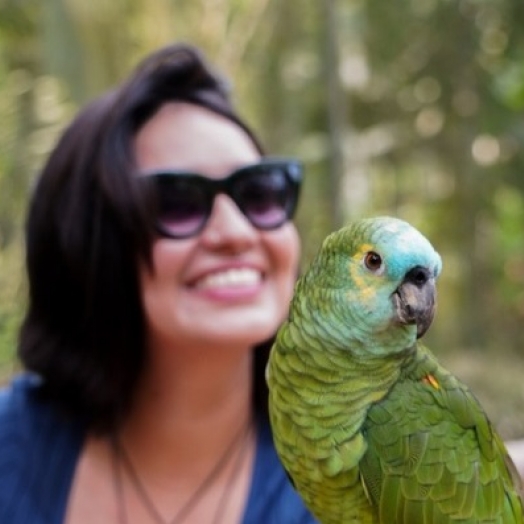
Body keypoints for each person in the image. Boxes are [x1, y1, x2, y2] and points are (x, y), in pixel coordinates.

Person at [0, 43, 316, 523]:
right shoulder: (12, 453)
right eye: (177, 203)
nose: (234, 232)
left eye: (259, 193)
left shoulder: (346, 486)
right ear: (89, 243)